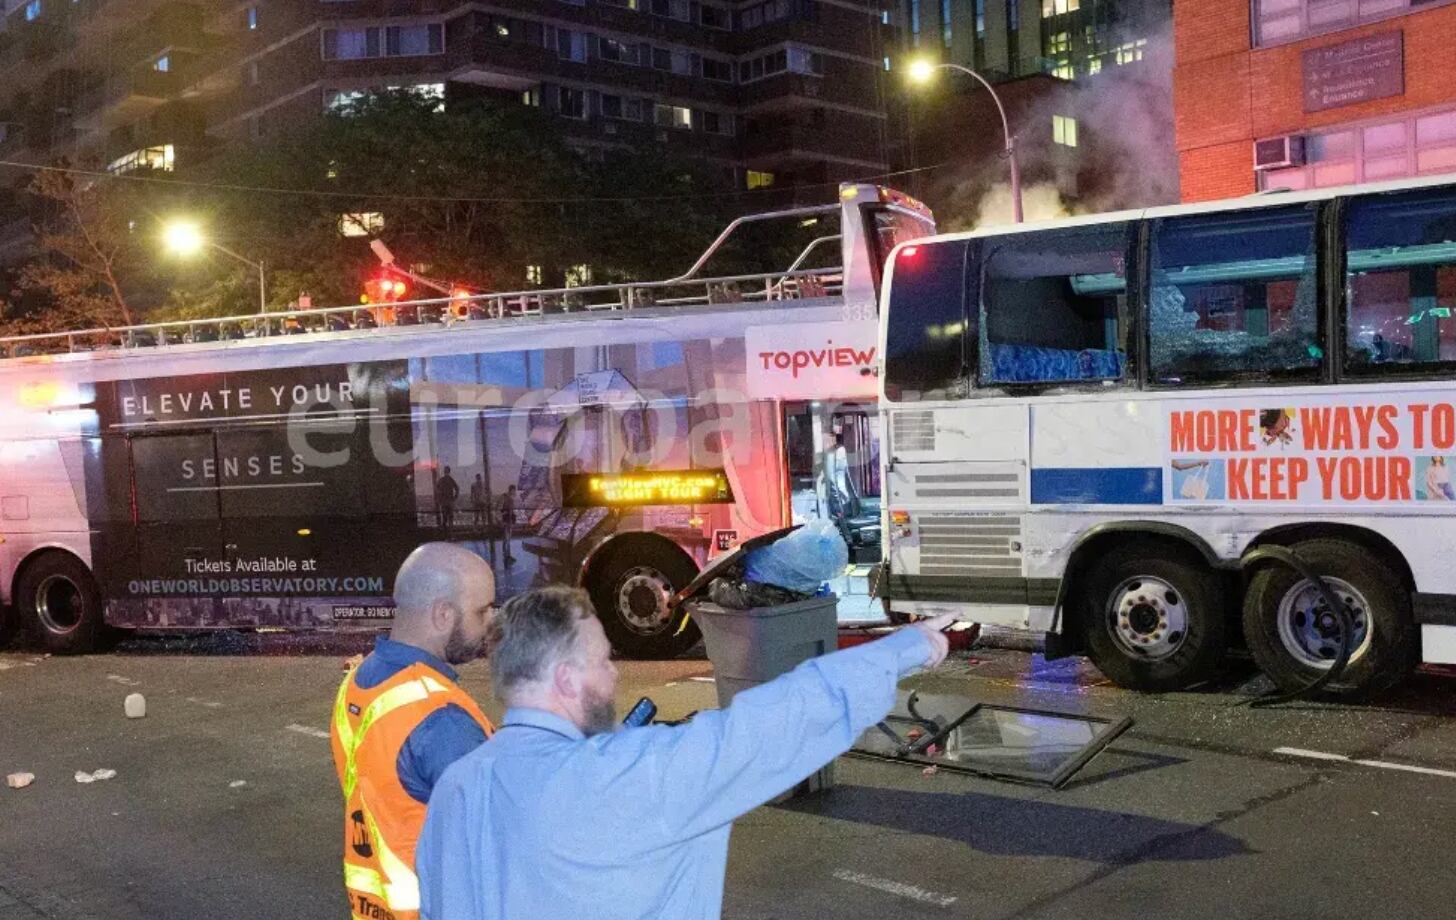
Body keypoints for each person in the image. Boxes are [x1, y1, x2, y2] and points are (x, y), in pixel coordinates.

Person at [416, 587, 951, 920]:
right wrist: (911, 647)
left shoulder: (457, 788)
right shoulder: (630, 777)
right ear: (566, 677)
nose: (615, 672)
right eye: (604, 660)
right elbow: (776, 722)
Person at [329, 543, 498, 920]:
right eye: (483, 610)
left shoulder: (360, 680)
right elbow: (505, 835)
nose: (490, 621)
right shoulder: (440, 719)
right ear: (442, 614)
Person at [435, 466, 459, 533]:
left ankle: (445, 533)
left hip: (444, 502)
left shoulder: (441, 480)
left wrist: (440, 497)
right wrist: (455, 497)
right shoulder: (451, 479)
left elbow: (437, 489)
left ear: (444, 471)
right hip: (450, 501)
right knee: (450, 518)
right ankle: (451, 534)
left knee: (445, 518)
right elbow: (457, 488)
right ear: (449, 471)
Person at [498, 484, 517, 565]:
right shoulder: (506, 497)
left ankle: (506, 553)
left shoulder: (509, 497)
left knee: (508, 534)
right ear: (511, 490)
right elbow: (502, 507)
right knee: (507, 534)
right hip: (507, 517)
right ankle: (506, 552)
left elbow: (511, 509)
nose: (514, 491)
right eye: (513, 490)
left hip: (509, 517)